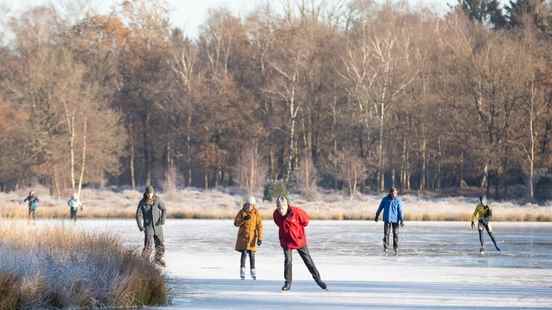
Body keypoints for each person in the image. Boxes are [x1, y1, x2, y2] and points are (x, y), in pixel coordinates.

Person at [273, 196, 327, 291]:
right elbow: (278, 223)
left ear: (286, 205)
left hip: (299, 240)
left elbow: (306, 221)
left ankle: (318, 279)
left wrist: (296, 231)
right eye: (278, 207)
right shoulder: (276, 214)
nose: (280, 210)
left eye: (282, 207)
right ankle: (288, 283)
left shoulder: (296, 212)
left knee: (308, 260)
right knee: (288, 261)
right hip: (286, 240)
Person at [136, 185, 167, 267]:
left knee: (160, 245)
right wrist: (140, 226)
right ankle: (144, 262)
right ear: (145, 193)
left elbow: (164, 209)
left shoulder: (158, 200)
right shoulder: (142, 203)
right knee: (148, 246)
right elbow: (138, 215)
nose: (150, 195)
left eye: (151, 193)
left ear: (153, 193)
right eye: (148, 193)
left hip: (158, 226)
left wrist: (162, 220)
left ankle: (158, 259)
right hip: (148, 227)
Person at [234, 196, 264, 280]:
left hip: (252, 238)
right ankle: (242, 271)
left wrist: (260, 238)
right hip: (243, 237)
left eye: (251, 205)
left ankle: (253, 271)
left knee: (252, 255)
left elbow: (260, 226)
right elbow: (236, 223)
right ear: (245, 204)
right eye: (247, 205)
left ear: (253, 205)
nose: (249, 206)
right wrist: (243, 219)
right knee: (244, 253)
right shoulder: (241, 212)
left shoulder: (256, 213)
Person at [375, 187, 405, 255]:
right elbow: (380, 207)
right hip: (387, 219)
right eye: (393, 193)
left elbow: (400, 211)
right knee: (386, 234)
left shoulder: (398, 200)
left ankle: (396, 248)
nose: (394, 194)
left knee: (396, 234)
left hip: (395, 220)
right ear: (390, 193)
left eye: (395, 193)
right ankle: (386, 248)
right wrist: (377, 215)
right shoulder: (385, 199)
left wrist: (402, 220)